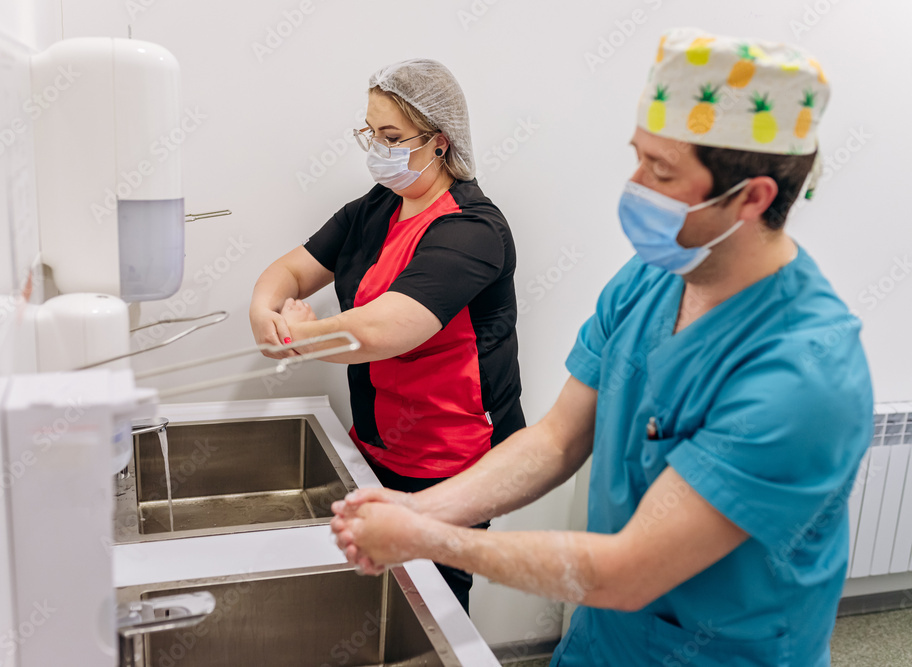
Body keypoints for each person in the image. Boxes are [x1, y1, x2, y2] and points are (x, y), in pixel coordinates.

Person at [331, 28, 873, 666]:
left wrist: (429, 537)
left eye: (661, 171)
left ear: (752, 198)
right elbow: (557, 438)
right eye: (638, 156)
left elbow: (632, 572)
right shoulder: (650, 281)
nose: (634, 184)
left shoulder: (806, 375)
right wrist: (425, 507)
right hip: (604, 641)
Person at [249, 59, 525, 614]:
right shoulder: (375, 208)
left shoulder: (472, 230)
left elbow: (387, 330)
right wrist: (264, 310)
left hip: (452, 461)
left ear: (440, 143)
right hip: (377, 442)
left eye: (393, 137)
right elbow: (293, 272)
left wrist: (304, 334)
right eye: (370, 133)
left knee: (434, 609)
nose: (377, 147)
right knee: (377, 599)